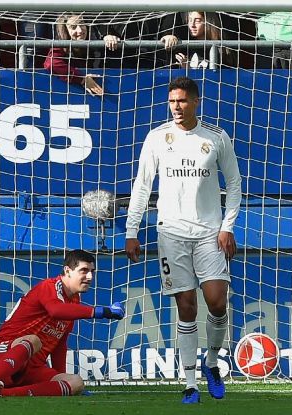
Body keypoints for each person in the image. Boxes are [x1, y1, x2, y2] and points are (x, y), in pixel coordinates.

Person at [125, 76, 242, 404]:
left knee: (218, 301)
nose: (177, 107)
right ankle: (190, 383)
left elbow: (233, 184)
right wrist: (131, 231)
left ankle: (212, 362)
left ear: (196, 102)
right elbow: (142, 185)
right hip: (171, 233)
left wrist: (227, 226)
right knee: (186, 307)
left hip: (209, 232)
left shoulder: (216, 137)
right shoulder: (157, 137)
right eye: (172, 101)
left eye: (183, 101)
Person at [0, 249, 125, 398]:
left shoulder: (74, 301)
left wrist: (62, 382)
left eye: (92, 271)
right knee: (33, 340)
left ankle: (0, 393)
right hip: (2, 355)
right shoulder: (49, 286)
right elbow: (55, 310)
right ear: (68, 271)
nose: (90, 277)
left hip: (31, 369)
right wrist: (104, 312)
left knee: (76, 382)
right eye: (84, 270)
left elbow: (59, 345)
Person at [43, 13, 104, 96]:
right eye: (73, 27)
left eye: (82, 24)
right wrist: (82, 79)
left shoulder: (95, 43)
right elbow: (51, 63)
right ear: (65, 31)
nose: (80, 30)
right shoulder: (61, 46)